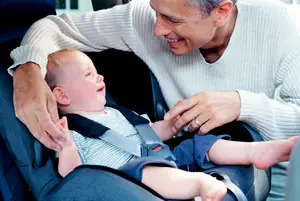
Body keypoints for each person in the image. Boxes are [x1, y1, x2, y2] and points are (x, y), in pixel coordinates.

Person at [8, 0, 300, 199]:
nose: (157, 29)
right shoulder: (142, 20)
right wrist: (29, 68)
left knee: (211, 145)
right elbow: (52, 28)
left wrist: (241, 104)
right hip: (152, 170)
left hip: (275, 180)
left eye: (172, 19)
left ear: (221, 11)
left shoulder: (280, 24)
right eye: (155, 11)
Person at [48, 49, 297, 201]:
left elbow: (149, 134)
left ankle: (257, 151)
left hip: (163, 159)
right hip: (128, 182)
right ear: (62, 96)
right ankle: (200, 183)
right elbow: (73, 176)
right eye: (88, 74)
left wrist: (171, 125)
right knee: (143, 168)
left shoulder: (118, 113)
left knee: (199, 143)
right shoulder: (70, 131)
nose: (100, 76)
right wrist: (67, 148)